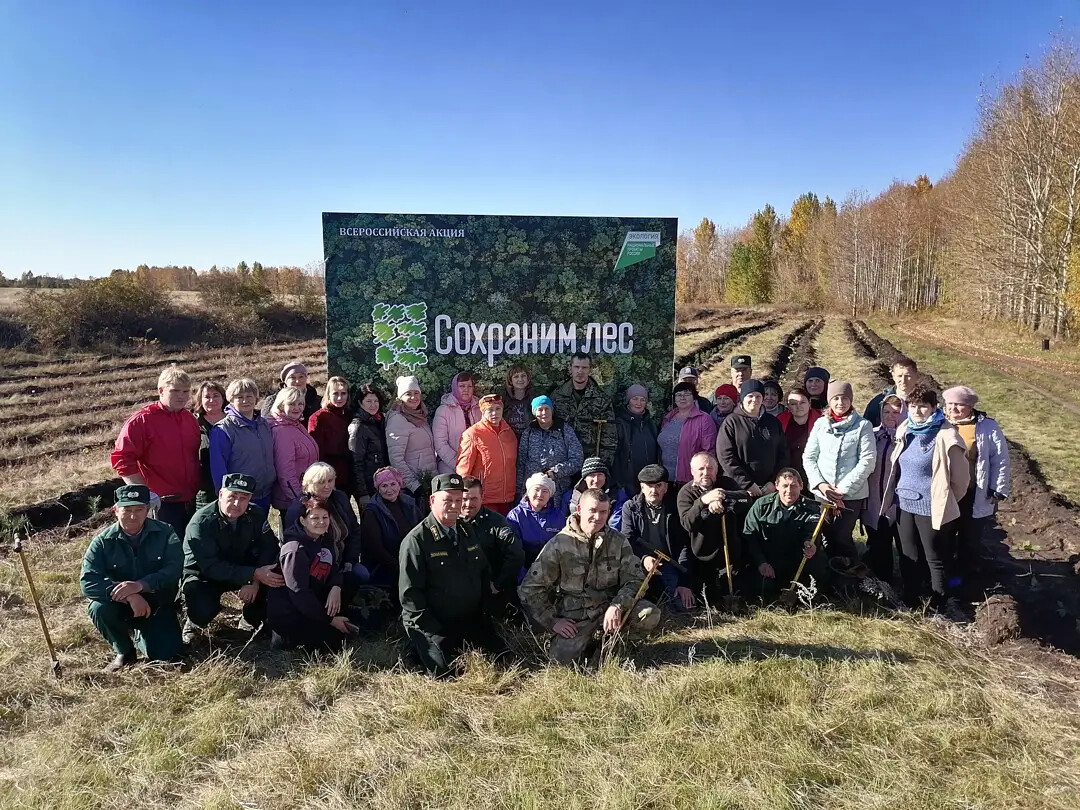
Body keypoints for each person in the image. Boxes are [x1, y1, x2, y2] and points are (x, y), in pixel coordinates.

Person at [519, 488, 660, 665]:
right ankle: (587, 644)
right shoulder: (559, 544)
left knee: (649, 614)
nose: (598, 517)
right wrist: (553, 621)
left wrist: (618, 605)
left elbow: (635, 579)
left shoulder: (618, 541)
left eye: (603, 512)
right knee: (561, 660)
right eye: (592, 510)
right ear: (579, 510)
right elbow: (529, 589)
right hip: (577, 615)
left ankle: (615, 645)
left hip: (609, 609)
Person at [399, 473, 508, 678]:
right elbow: (410, 597)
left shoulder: (466, 530)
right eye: (447, 500)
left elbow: (483, 570)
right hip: (433, 622)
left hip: (467, 616)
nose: (454, 506)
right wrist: (432, 630)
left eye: (458, 500)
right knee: (446, 674)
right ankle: (416, 646)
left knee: (503, 657)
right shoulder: (417, 540)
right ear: (432, 500)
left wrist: (485, 612)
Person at [880, 387, 970, 614]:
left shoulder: (946, 436)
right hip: (903, 503)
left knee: (934, 557)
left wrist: (943, 500)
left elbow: (961, 480)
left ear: (933, 408)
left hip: (930, 507)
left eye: (923, 406)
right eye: (913, 406)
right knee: (908, 555)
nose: (917, 411)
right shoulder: (906, 428)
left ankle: (939, 605)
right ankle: (911, 599)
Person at [80, 484, 184, 672]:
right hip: (120, 603)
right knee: (98, 608)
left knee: (167, 655)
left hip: (157, 603)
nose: (133, 516)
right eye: (127, 510)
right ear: (116, 510)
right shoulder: (102, 541)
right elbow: (88, 582)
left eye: (139, 509)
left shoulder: (166, 533)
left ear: (147, 509)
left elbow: (174, 569)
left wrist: (141, 585)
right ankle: (124, 651)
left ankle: (143, 635)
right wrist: (130, 595)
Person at [181, 473, 283, 641]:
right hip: (205, 575)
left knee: (274, 578)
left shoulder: (256, 514)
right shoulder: (201, 522)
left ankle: (251, 619)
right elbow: (211, 566)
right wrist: (252, 574)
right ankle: (193, 623)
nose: (237, 503)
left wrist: (254, 580)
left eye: (243, 498)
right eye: (232, 496)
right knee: (201, 606)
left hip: (242, 568)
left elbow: (269, 548)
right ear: (221, 494)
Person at [110, 365, 201, 538]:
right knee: (167, 546)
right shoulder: (142, 421)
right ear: (161, 390)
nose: (181, 396)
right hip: (162, 502)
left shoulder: (189, 419)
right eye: (175, 391)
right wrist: (145, 493)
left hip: (191, 499)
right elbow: (122, 458)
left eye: (185, 391)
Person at [267, 496, 359, 651]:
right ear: (303, 520)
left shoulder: (323, 538)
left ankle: (335, 619)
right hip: (291, 612)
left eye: (325, 517)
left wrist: (336, 586)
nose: (321, 522)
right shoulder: (295, 550)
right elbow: (299, 593)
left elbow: (334, 566)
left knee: (350, 579)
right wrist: (329, 620)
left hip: (315, 596)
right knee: (336, 643)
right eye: (315, 518)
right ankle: (284, 638)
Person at [943, 386, 1011, 585]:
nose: (954, 408)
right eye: (950, 404)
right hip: (945, 492)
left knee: (970, 536)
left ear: (971, 406)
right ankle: (942, 573)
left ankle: (963, 576)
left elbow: (1000, 458)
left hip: (972, 492)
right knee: (944, 535)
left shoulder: (986, 427)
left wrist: (998, 487)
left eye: (960, 404)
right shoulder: (939, 422)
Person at [801, 381, 876, 560]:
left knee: (842, 537)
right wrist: (821, 485)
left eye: (844, 398)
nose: (840, 403)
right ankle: (826, 571)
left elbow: (867, 460)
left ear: (851, 400)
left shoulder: (863, 426)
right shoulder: (820, 424)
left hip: (850, 495)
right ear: (829, 401)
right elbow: (809, 457)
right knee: (823, 535)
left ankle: (849, 572)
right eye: (836, 398)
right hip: (823, 493)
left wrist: (842, 490)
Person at [743, 469, 830, 602]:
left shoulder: (811, 507)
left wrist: (809, 544)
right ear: (776, 486)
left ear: (801, 486)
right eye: (785, 486)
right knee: (761, 586)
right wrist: (761, 562)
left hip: (797, 560)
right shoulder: (761, 505)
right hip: (769, 560)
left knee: (816, 580)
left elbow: (812, 532)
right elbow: (750, 537)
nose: (789, 491)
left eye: (794, 486)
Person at [620, 464, 694, 611]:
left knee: (681, 606)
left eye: (658, 486)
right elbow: (628, 541)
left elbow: (684, 545)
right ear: (642, 487)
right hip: (639, 563)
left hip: (667, 563)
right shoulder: (630, 508)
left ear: (665, 488)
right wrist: (644, 558)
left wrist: (684, 583)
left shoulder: (675, 508)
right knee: (633, 603)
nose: (653, 491)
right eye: (649, 486)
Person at [283, 462, 367, 590]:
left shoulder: (340, 498)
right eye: (321, 482)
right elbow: (293, 544)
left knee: (362, 574)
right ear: (309, 483)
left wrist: (350, 560)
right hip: (316, 567)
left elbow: (354, 530)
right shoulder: (299, 508)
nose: (327, 486)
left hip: (343, 561)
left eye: (330, 481)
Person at [677, 452, 743, 603]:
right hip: (701, 557)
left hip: (728, 554)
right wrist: (703, 501)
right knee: (707, 600)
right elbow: (688, 523)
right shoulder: (686, 493)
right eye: (701, 469)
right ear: (692, 471)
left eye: (710, 468)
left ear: (716, 470)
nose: (706, 473)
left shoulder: (726, 484)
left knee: (735, 598)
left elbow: (746, 499)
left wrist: (721, 496)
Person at [209, 378, 276, 511]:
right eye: (239, 397)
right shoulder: (223, 430)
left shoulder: (263, 424)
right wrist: (227, 498)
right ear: (231, 400)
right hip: (239, 498)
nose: (245, 401)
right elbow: (218, 469)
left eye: (249, 396)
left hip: (265, 494)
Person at [461, 476, 525, 615]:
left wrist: (498, 584)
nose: (468, 504)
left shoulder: (496, 522)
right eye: (464, 499)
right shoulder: (451, 521)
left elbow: (516, 554)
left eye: (474, 499)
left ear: (482, 498)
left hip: (489, 589)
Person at [716, 380, 789, 498]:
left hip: (769, 489)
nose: (754, 400)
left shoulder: (773, 422)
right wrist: (747, 483)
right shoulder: (731, 422)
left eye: (758, 396)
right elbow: (725, 456)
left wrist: (774, 481)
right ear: (742, 398)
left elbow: (783, 453)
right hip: (739, 489)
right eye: (750, 396)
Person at [359, 467, 420, 592]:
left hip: (411, 561)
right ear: (378, 488)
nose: (389, 489)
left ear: (399, 484)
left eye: (393, 484)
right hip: (386, 569)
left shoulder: (410, 504)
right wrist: (401, 568)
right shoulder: (372, 512)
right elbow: (376, 549)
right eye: (384, 486)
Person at [863, 395, 903, 582]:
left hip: (899, 503)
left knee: (904, 548)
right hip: (873, 501)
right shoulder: (872, 435)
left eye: (896, 412)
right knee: (878, 546)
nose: (890, 416)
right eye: (886, 412)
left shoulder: (908, 438)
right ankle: (882, 584)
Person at [550, 352, 617, 464]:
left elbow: (609, 437)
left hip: (590, 461)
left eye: (584, 368)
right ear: (570, 368)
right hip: (563, 460)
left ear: (590, 370)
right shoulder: (557, 396)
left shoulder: (602, 399)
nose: (580, 371)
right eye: (576, 367)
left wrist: (602, 465)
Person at [456, 394, 518, 515]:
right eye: (490, 410)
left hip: (507, 497)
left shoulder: (509, 432)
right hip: (485, 498)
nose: (494, 413)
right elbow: (463, 469)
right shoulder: (472, 434)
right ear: (483, 412)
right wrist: (465, 497)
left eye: (498, 409)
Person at [515, 394, 584, 502]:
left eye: (547, 409)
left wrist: (555, 472)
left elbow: (577, 460)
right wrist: (519, 491)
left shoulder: (565, 430)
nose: (544, 413)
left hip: (558, 492)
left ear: (552, 410)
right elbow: (521, 463)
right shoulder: (529, 432)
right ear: (534, 413)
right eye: (540, 409)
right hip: (533, 492)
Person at [267, 387, 320, 516]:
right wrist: (300, 498)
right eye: (291, 404)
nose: (297, 408)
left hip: (305, 492)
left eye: (300, 404)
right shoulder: (281, 431)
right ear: (281, 405)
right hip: (292, 500)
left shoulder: (295, 424)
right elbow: (285, 471)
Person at [386, 375, 438, 498]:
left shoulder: (419, 416)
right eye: (408, 394)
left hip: (427, 479)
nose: (413, 397)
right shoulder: (398, 419)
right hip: (413, 486)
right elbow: (396, 458)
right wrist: (413, 485)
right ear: (400, 397)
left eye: (416, 393)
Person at [658, 381, 718, 485]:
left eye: (686, 394)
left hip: (690, 480)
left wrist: (703, 477)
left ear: (694, 397)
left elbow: (709, 452)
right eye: (678, 395)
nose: (682, 398)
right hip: (664, 479)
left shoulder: (704, 420)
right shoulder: (668, 418)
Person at [507, 472, 564, 571]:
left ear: (550, 495)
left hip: (550, 570)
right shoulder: (515, 516)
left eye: (545, 491)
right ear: (528, 492)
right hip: (524, 571)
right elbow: (512, 552)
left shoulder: (558, 516)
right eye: (536, 489)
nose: (540, 494)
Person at [308, 376, 353, 493]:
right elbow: (316, 453)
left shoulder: (350, 415)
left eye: (343, 393)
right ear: (328, 394)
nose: (339, 398)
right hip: (330, 476)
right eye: (335, 394)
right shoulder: (318, 418)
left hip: (350, 474)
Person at [612, 383, 660, 494]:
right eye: (635, 399)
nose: (639, 403)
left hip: (649, 483)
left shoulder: (651, 424)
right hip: (625, 484)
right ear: (628, 401)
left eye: (643, 400)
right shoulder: (619, 424)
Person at [348, 381, 389, 508]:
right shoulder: (358, 427)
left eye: (376, 401)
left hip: (381, 481)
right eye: (369, 401)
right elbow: (356, 462)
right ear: (360, 403)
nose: (373, 405)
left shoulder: (379, 421)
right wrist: (363, 493)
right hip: (368, 486)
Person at [433, 371, 481, 475]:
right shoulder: (443, 410)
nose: (466, 389)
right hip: (450, 467)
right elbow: (440, 443)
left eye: (469, 386)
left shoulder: (479, 408)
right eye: (462, 386)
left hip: (476, 466)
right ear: (455, 387)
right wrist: (459, 464)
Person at [562, 457, 628, 532]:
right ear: (584, 478)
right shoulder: (571, 496)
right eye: (592, 475)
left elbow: (616, 522)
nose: (596, 480)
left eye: (600, 475)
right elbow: (562, 520)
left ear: (605, 477)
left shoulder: (618, 495)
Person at [777, 386, 821, 489]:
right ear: (788, 406)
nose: (798, 406)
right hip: (787, 476)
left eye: (802, 402)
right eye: (793, 404)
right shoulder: (779, 421)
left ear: (809, 403)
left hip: (814, 473)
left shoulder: (821, 421)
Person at [192, 381, 228, 509]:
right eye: (207, 397)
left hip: (232, 485)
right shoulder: (193, 423)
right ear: (200, 400)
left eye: (216, 395)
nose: (212, 400)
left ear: (223, 398)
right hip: (204, 489)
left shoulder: (233, 421)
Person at [864, 358, 918, 427]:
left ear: (916, 375)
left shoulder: (926, 401)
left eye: (908, 376)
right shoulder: (878, 402)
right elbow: (866, 428)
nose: (903, 380)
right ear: (893, 376)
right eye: (899, 376)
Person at [503, 364, 535, 437]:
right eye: (516, 377)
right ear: (510, 380)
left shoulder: (534, 398)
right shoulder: (503, 398)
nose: (520, 379)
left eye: (523, 376)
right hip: (509, 438)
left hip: (530, 437)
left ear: (528, 379)